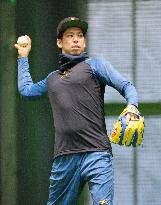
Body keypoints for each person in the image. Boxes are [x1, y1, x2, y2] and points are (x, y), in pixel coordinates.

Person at [15, 17, 139, 205]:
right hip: (64, 157)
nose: (76, 40)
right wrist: (23, 57)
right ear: (59, 42)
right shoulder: (52, 79)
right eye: (70, 35)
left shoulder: (95, 65)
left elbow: (126, 86)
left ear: (84, 41)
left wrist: (132, 106)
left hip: (96, 153)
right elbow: (26, 91)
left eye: (80, 36)